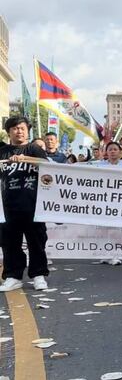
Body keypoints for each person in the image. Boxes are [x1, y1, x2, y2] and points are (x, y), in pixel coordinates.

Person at [0, 117, 51, 292]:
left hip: (33, 205)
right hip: (7, 206)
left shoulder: (34, 149)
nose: (18, 131)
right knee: (9, 243)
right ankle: (13, 276)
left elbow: (47, 166)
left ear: (27, 130)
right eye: (14, 128)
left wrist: (26, 159)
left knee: (36, 241)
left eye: (21, 128)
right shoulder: (3, 151)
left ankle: (38, 275)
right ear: (9, 132)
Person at [94, 141, 122, 265]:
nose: (112, 151)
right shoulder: (98, 166)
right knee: (103, 230)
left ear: (120, 152)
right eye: (110, 149)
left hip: (119, 204)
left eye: (115, 149)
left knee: (115, 230)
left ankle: (114, 254)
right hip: (102, 202)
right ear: (106, 152)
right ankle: (104, 254)